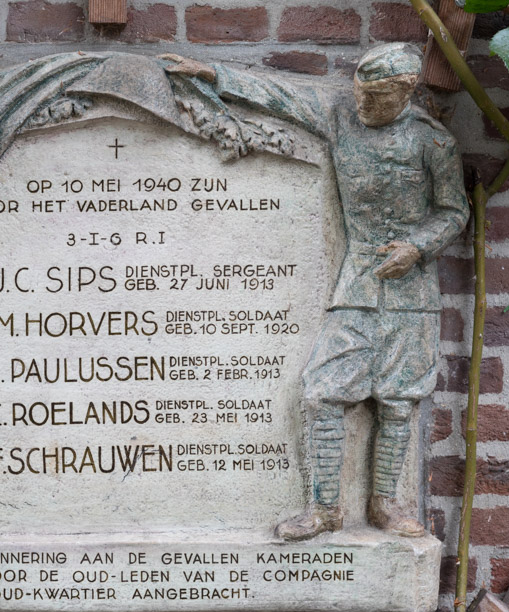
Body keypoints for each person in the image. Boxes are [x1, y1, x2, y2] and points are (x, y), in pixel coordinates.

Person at [165, 43, 469, 541]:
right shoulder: (338, 118)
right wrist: (215, 72)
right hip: (356, 286)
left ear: (405, 93)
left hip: (412, 291)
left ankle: (385, 503)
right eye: (360, 93)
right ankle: (325, 508)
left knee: (398, 401)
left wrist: (416, 246)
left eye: (376, 98)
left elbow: (454, 211)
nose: (364, 105)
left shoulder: (431, 142)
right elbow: (279, 97)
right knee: (321, 392)